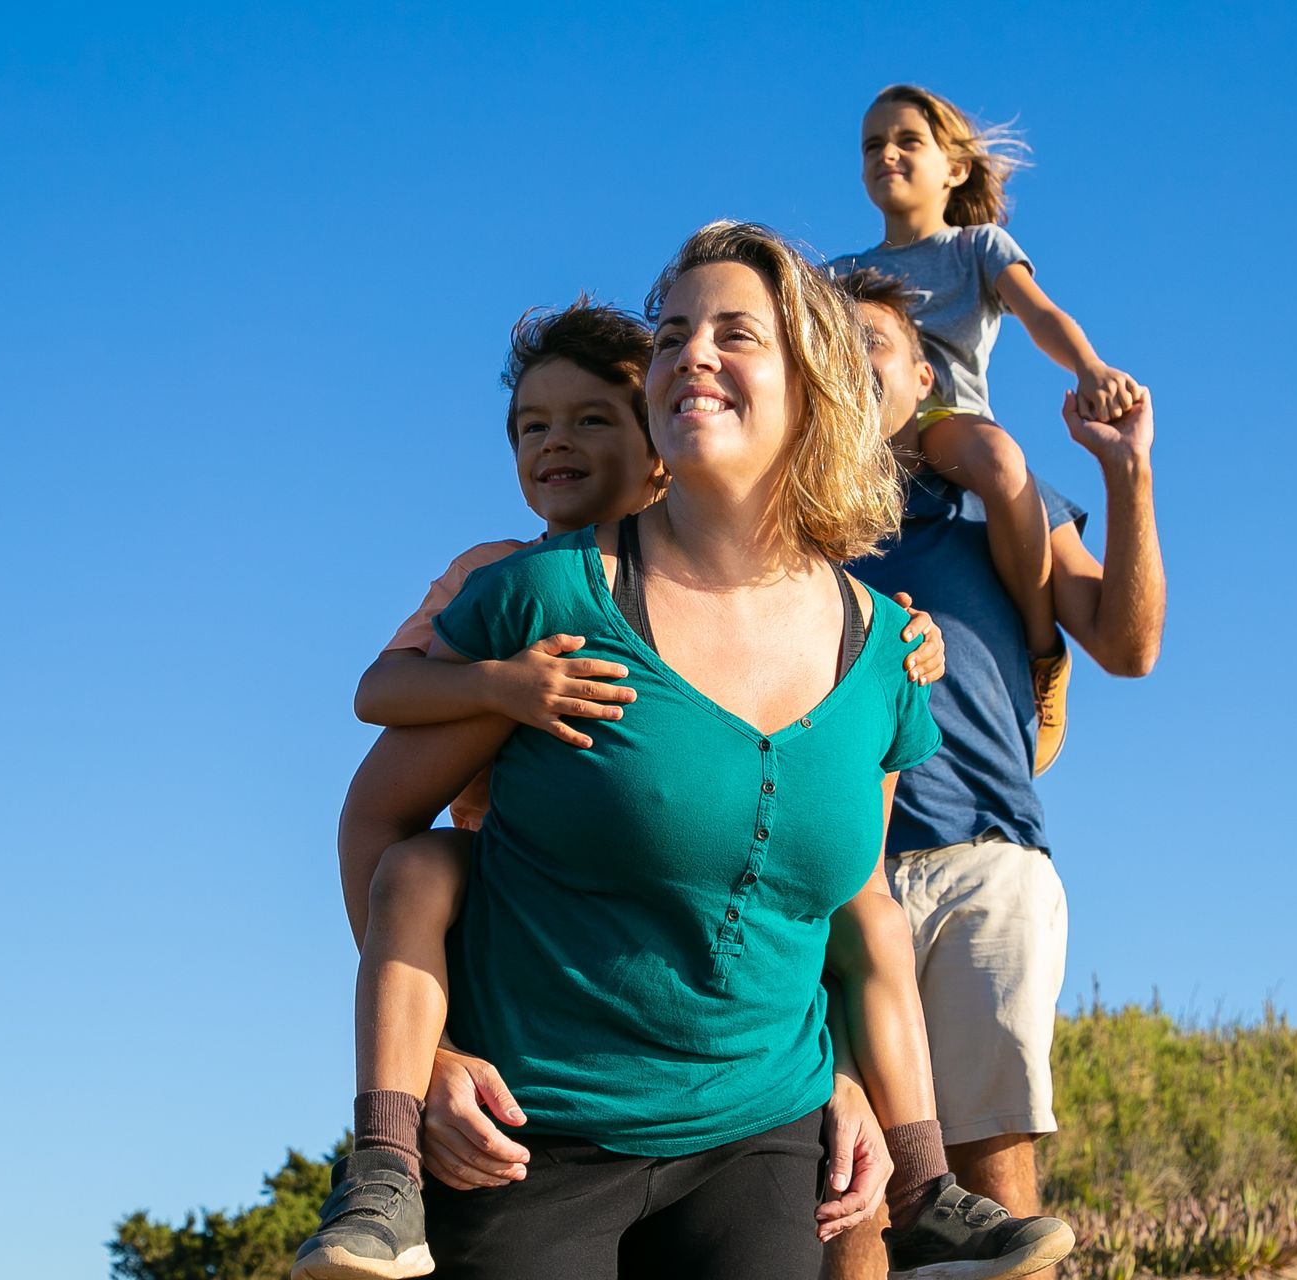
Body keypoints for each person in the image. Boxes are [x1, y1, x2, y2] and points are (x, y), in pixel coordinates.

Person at [299, 224, 1071, 1280]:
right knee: (428, 868)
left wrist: (851, 1080)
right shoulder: (542, 599)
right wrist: (429, 1062)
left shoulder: (891, 650)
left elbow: (849, 910)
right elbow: (379, 818)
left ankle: (934, 1198)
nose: (691, 354)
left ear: (814, 383)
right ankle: (377, 1173)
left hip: (763, 1139)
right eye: (670, 335)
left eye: (733, 333)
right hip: (529, 1137)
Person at [824, 269, 1166, 1280]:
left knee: (992, 1166)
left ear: (924, 374)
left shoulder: (995, 505)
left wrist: (1128, 475)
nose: (851, 361)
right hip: (833, 875)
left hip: (984, 856)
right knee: (844, 1175)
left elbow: (1128, 644)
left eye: (873, 343)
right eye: (829, 345)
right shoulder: (789, 526)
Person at [830, 83, 1142, 775]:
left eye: (908, 141)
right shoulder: (837, 274)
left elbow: (1041, 314)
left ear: (955, 168)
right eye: (872, 145)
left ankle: (1039, 647)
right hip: (861, 433)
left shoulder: (976, 248)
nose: (886, 154)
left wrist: (1089, 366)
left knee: (1000, 464)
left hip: (945, 416)